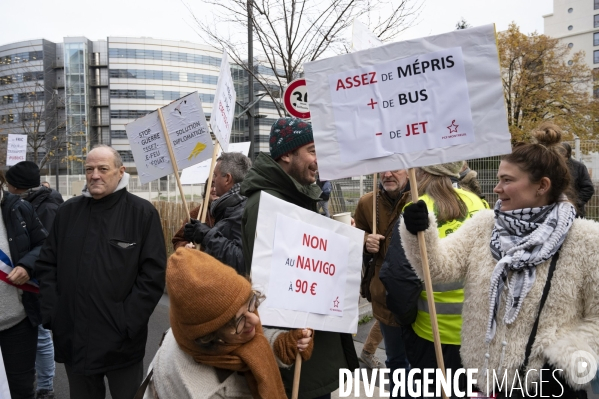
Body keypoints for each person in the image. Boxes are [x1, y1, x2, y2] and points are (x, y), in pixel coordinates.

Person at [400, 123, 598, 397]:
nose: (496, 188)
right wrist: (418, 231)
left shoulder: (586, 239)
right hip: (489, 381)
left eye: (507, 180)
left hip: (553, 387)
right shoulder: (484, 224)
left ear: (542, 186)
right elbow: (438, 268)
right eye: (498, 178)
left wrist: (565, 358)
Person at [241, 117, 359, 399]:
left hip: (313, 346)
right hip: (293, 350)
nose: (319, 161)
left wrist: (344, 244)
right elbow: (273, 281)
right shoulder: (267, 205)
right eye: (313, 151)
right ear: (286, 154)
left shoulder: (297, 198)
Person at [36, 145, 167, 399]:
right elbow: (46, 265)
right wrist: (55, 313)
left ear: (120, 172)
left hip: (121, 343)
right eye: (89, 169)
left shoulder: (141, 213)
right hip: (74, 339)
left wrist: (127, 322)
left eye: (102, 169)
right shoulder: (67, 212)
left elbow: (152, 276)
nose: (95, 175)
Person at [142, 248, 313, 399]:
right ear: (210, 335)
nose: (254, 319)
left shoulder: (188, 331)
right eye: (239, 320)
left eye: (250, 303)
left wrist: (282, 345)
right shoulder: (203, 391)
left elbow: (245, 345)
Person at [384, 162, 487, 398]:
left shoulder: (415, 210)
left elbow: (399, 277)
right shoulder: (477, 203)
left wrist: (405, 320)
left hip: (430, 334)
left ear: (420, 172)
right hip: (476, 332)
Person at [5, 161, 63, 399]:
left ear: (17, 186)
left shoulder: (44, 208)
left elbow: (46, 246)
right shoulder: (29, 203)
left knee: (40, 337)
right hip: (27, 281)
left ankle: (46, 386)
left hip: (36, 283)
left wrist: (28, 265)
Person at [353, 170, 411, 383]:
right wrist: (366, 240)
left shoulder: (423, 200)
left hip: (419, 298)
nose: (388, 173)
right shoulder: (367, 203)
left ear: (408, 170)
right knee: (396, 362)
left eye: (395, 167)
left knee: (421, 364)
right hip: (384, 296)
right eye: (383, 168)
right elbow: (356, 234)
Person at [0, 170, 48, 399]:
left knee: (20, 388)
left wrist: (28, 266)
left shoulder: (19, 207)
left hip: (16, 322)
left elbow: (45, 245)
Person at [183, 152, 252, 274]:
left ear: (227, 179)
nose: (213, 180)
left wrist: (207, 234)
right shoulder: (230, 206)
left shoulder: (243, 209)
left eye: (215, 175)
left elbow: (241, 261)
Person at [172, 177, 218, 250]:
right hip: (200, 260)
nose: (214, 189)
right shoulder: (195, 214)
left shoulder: (231, 213)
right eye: (211, 186)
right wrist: (185, 246)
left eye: (217, 185)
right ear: (206, 191)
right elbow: (177, 240)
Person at [562, 142, 594, 217]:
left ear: (567, 153)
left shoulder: (579, 167)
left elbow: (588, 188)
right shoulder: (552, 166)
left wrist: (575, 202)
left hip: (575, 212)